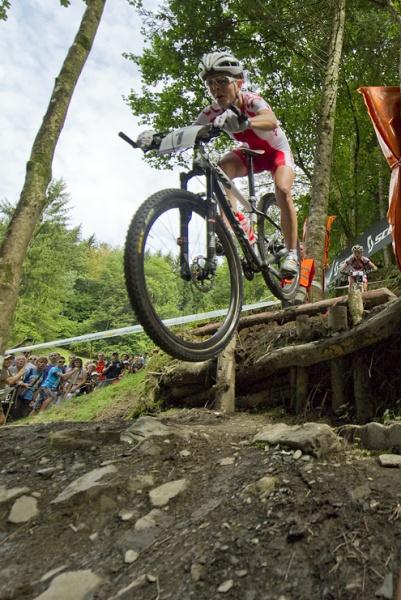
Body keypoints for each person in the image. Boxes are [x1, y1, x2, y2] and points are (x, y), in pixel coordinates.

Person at [193, 51, 299, 278]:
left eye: (222, 81)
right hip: (250, 153)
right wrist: (159, 140)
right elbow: (190, 132)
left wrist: (246, 122)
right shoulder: (212, 111)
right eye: (211, 83)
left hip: (276, 153)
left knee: (282, 189)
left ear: (238, 83)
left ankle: (292, 252)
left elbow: (270, 120)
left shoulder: (251, 100)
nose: (216, 89)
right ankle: (234, 223)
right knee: (222, 167)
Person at [281, 243, 315, 308]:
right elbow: (284, 274)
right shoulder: (290, 260)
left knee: (298, 303)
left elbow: (310, 277)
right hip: (289, 285)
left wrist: (307, 290)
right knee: (286, 304)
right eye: (298, 249)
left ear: (305, 251)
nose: (299, 251)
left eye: (301, 249)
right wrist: (282, 286)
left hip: (301, 287)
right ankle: (286, 318)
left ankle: (295, 318)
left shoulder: (310, 262)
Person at [0, 355, 26, 424]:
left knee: (2, 419)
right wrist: (20, 373)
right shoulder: (1, 369)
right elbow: (9, 381)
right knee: (1, 419)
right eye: (6, 359)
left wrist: (20, 383)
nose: (8, 361)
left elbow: (13, 380)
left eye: (10, 359)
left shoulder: (6, 370)